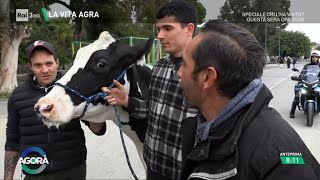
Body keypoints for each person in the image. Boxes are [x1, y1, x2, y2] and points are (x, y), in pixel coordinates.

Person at [177, 20, 320, 180]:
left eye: (184, 64)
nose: (179, 72)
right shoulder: (202, 127)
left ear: (207, 77)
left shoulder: (280, 163)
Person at [102, 1, 198, 179]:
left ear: (189, 29)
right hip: (153, 165)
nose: (160, 35)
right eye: (158, 29)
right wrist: (126, 101)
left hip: (184, 172)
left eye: (168, 28)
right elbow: (151, 111)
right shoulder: (160, 67)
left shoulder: (203, 72)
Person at [4, 40, 106, 180]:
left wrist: (96, 104)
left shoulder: (73, 90)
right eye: (38, 65)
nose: (45, 70)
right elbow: (12, 141)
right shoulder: (17, 96)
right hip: (35, 171)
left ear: (57, 62)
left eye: (49, 63)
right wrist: (7, 178)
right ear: (30, 67)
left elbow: (98, 130)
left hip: (72, 169)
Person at [290, 51, 320, 118]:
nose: (314, 58)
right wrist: (299, 77)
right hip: (307, 82)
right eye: (313, 57)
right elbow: (302, 73)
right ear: (311, 58)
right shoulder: (306, 66)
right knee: (297, 95)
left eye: (316, 57)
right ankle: (292, 112)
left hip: (317, 82)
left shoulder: (319, 66)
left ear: (318, 58)